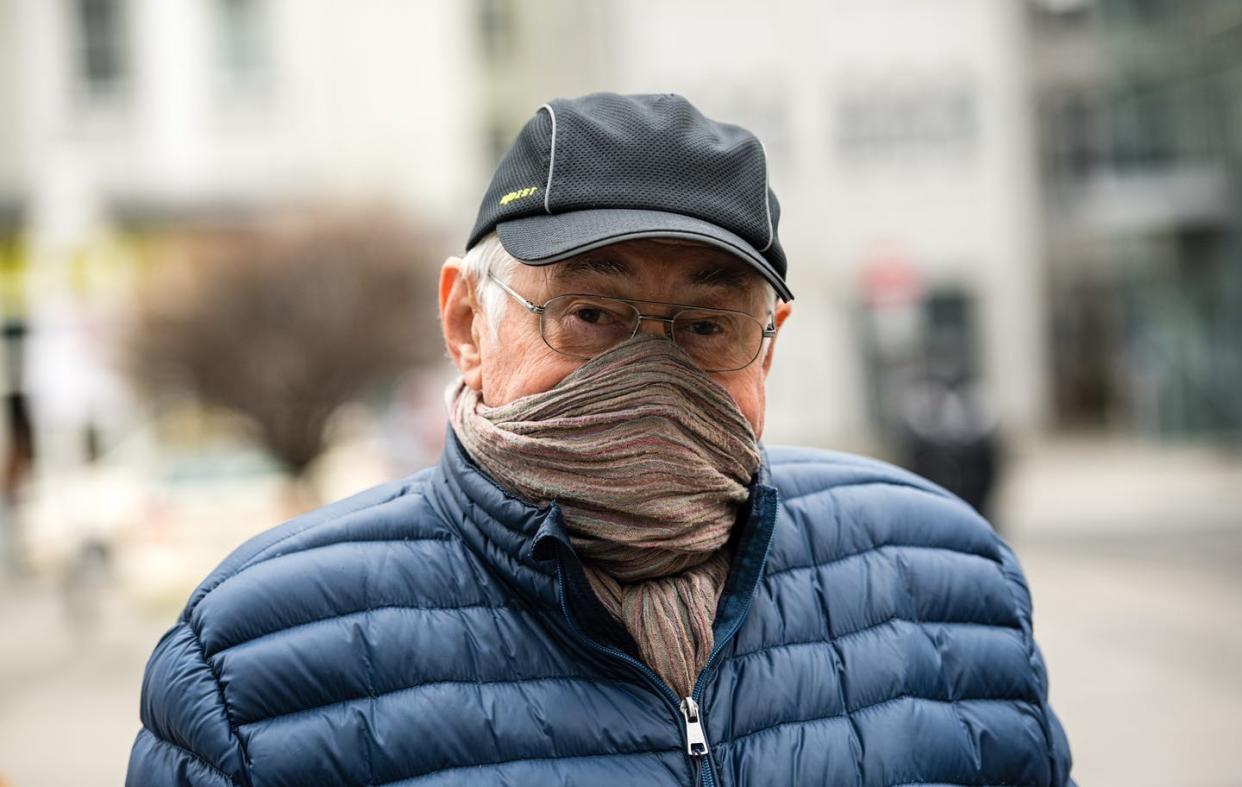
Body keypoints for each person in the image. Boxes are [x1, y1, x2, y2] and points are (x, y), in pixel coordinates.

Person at [126, 92, 1074, 786]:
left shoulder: (952, 588)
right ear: (466, 323)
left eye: (707, 325)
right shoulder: (250, 664)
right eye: (591, 312)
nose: (648, 377)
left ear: (769, 346)